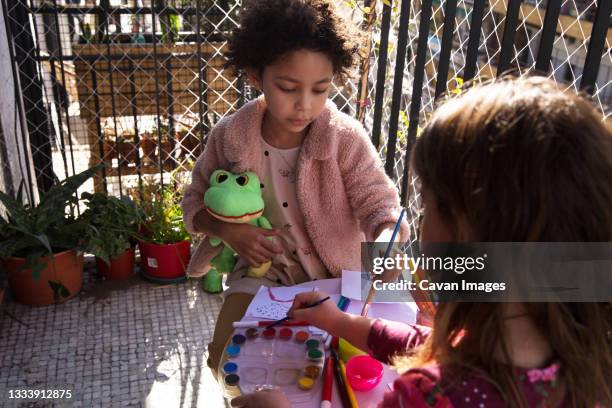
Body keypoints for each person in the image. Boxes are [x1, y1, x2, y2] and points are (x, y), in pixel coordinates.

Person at [230, 77, 612, 407]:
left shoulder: (427, 397)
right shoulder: (581, 361)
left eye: (428, 206)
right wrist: (338, 321)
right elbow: (427, 343)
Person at [181, 0, 408, 373]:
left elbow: (380, 206)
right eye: (288, 88)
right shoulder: (230, 137)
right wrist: (228, 232)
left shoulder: (344, 137)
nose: (305, 105)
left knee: (343, 368)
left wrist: (384, 242)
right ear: (256, 75)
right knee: (227, 359)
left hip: (338, 277)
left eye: (321, 89)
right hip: (261, 274)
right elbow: (193, 203)